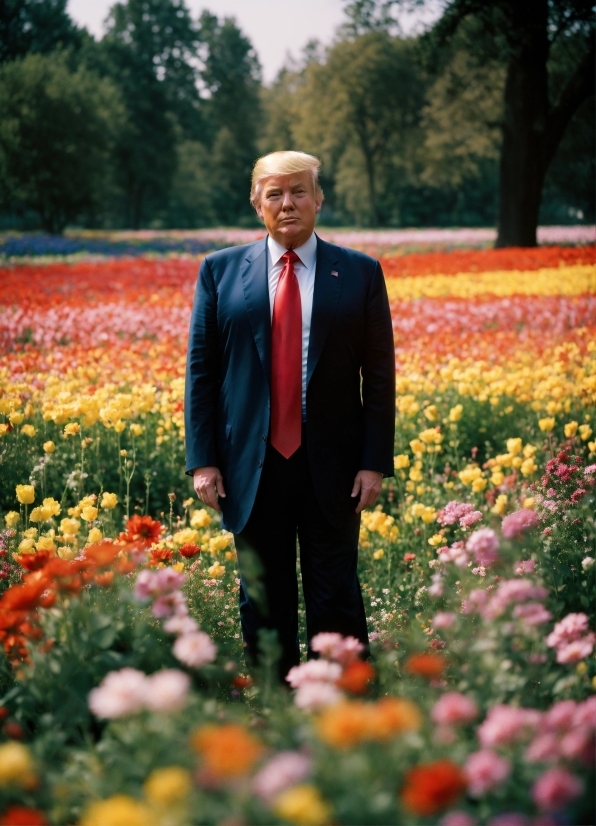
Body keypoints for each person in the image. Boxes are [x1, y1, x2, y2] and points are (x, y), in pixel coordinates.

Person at [185, 151, 395, 678]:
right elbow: (201, 373)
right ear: (257, 204)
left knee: (336, 594)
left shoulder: (362, 273)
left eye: (299, 191)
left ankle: (345, 709)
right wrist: (203, 461)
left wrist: (374, 462)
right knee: (262, 596)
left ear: (319, 199)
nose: (288, 203)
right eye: (274, 193)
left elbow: (381, 378)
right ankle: (274, 709)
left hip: (335, 465)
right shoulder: (219, 272)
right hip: (249, 466)